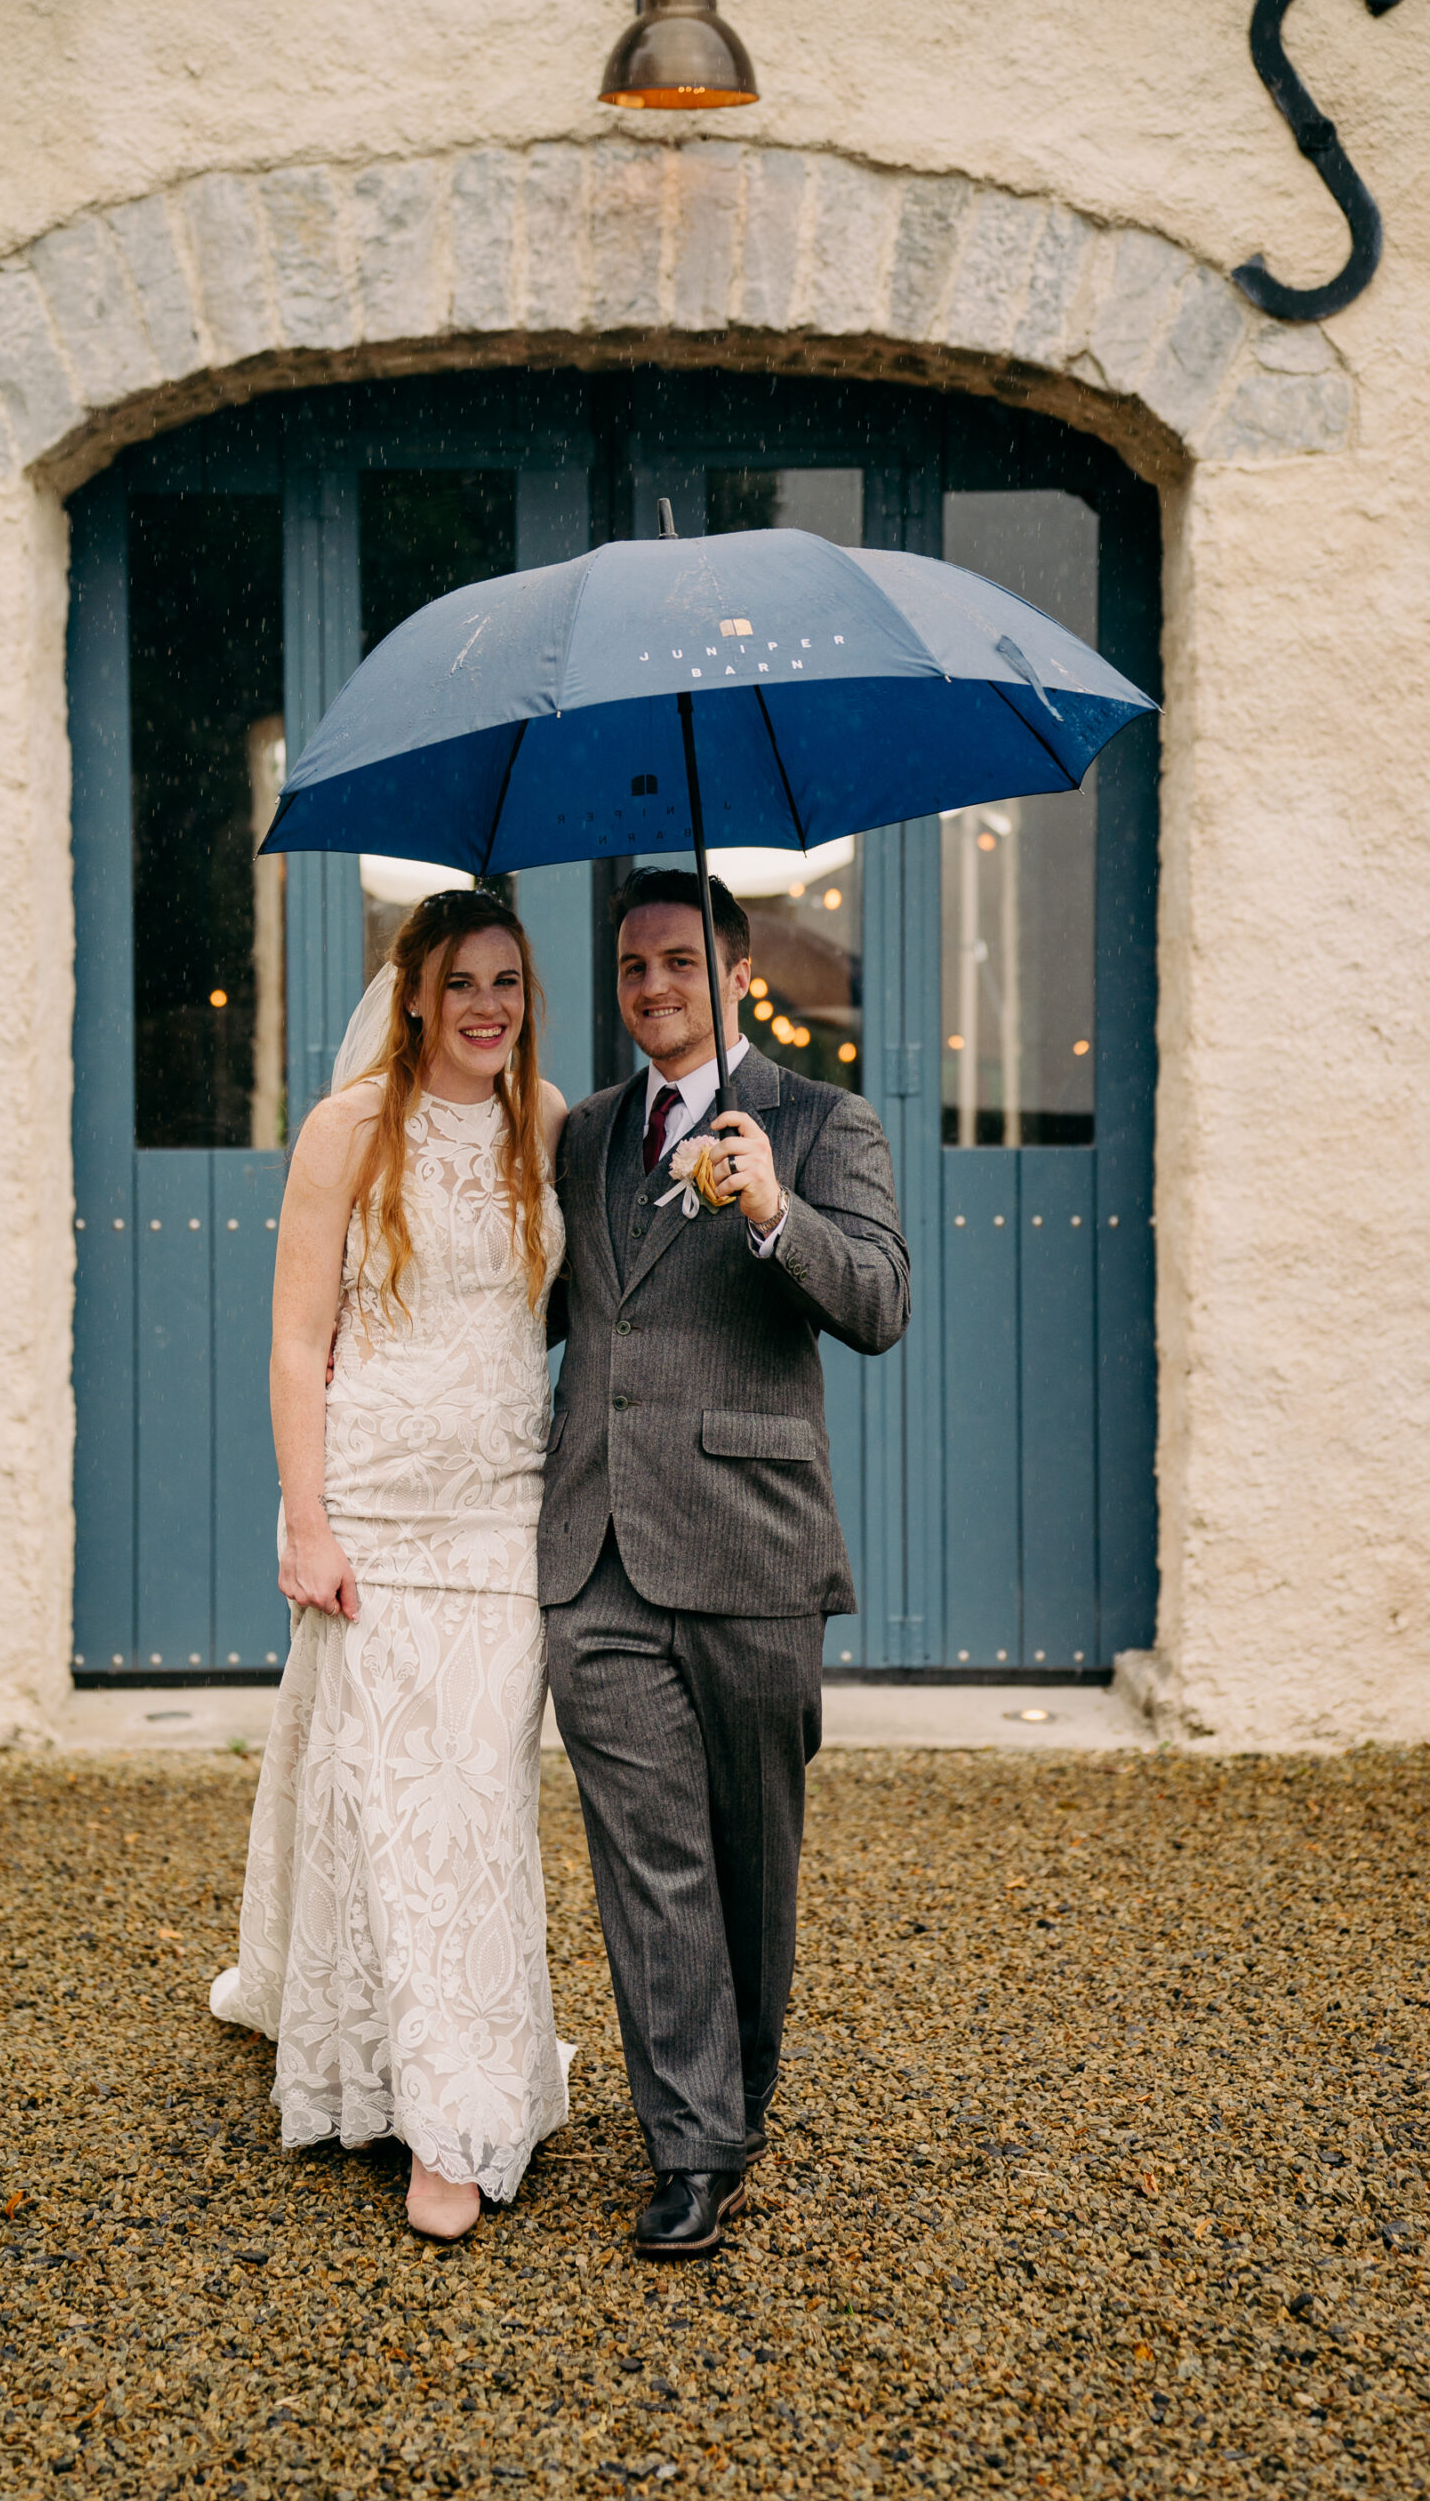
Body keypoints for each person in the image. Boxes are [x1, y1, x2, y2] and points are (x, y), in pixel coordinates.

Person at [541, 866, 910, 2258]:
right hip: (597, 1561)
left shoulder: (821, 1120)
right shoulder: (581, 1138)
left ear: (737, 973)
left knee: (753, 1859)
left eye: (679, 965)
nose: (652, 989)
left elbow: (880, 1301)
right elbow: (540, 1316)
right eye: (632, 967)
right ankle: (690, 2145)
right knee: (650, 1865)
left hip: (753, 1550)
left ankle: (739, 2093)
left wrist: (774, 1211)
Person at [210, 887, 571, 2243]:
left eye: (510, 984)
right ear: (414, 991)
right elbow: (299, 1341)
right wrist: (308, 1520)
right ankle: (429, 2109)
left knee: (472, 1805)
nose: (489, 1007)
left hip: (499, 1524)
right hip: (372, 1513)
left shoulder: (547, 1130)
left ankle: (469, 2090)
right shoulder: (346, 1131)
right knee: (379, 1802)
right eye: (464, 983)